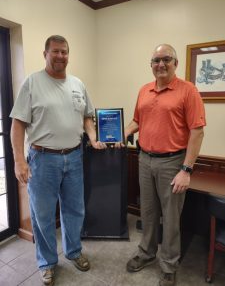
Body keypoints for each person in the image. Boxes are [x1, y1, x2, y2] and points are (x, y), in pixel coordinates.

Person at [10, 35, 106, 286]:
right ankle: (47, 262)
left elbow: (87, 117)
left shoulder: (77, 84)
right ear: (45, 54)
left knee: (75, 210)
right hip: (42, 160)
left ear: (68, 54)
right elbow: (17, 124)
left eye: (64, 52)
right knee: (41, 215)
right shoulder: (32, 83)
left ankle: (73, 251)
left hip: (74, 156)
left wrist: (94, 137)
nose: (60, 56)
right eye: (55, 51)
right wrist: (19, 160)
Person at [124, 44, 206, 286]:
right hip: (145, 159)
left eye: (166, 59)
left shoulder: (188, 90)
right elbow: (137, 120)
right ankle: (146, 254)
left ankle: (169, 264)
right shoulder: (144, 90)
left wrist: (186, 170)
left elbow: (197, 132)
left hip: (173, 162)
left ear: (175, 63)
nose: (161, 64)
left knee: (171, 217)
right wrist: (122, 132)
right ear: (151, 65)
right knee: (148, 212)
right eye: (156, 60)